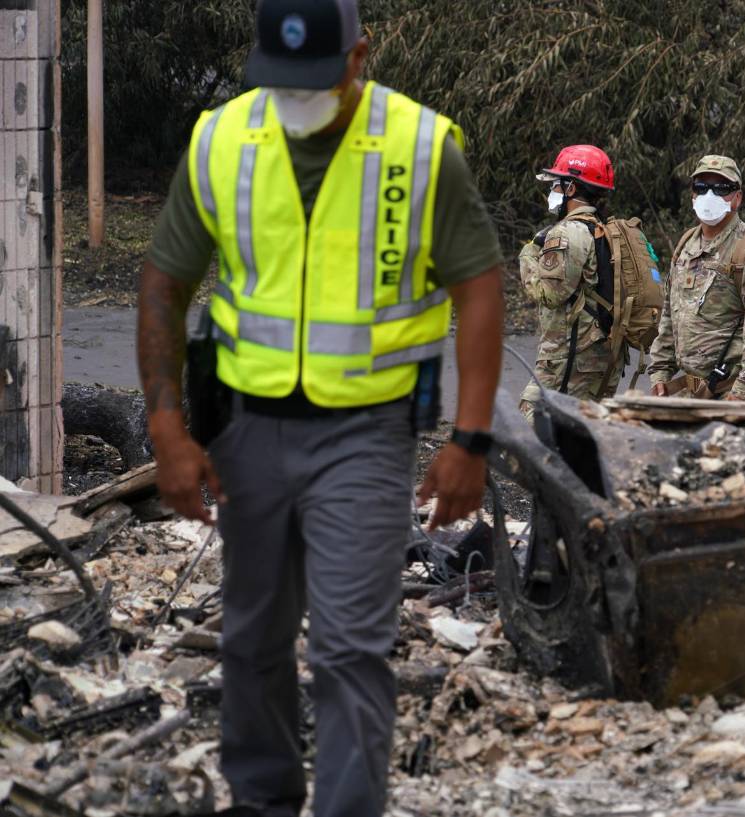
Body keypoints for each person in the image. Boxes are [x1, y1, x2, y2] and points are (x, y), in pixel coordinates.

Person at [136, 1, 504, 814]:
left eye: (313, 81)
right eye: (279, 81)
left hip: (366, 434)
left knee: (350, 649)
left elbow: (478, 284)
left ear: (358, 56)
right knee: (253, 639)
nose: (293, 97)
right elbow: (166, 279)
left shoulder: (418, 145)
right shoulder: (223, 138)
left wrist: (470, 437)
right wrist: (167, 426)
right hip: (246, 429)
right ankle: (263, 800)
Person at [648, 155, 745, 401]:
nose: (709, 196)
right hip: (691, 393)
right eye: (701, 188)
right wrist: (660, 372)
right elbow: (671, 314)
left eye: (721, 188)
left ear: (737, 198)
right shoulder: (686, 244)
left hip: (734, 395)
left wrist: (742, 395)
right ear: (692, 194)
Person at [517, 145, 619, 419]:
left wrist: (528, 255)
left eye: (556, 185)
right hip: (603, 356)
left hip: (569, 358)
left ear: (571, 188)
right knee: (581, 438)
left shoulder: (567, 232)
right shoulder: (608, 230)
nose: (552, 192)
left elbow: (549, 294)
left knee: (529, 435)